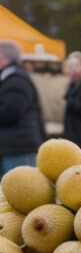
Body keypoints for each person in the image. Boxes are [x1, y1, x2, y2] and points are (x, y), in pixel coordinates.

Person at [0, 40, 45, 174]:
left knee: (21, 193)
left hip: (19, 148)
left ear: (2, 57)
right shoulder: (11, 78)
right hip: (14, 146)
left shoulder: (16, 80)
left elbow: (11, 113)